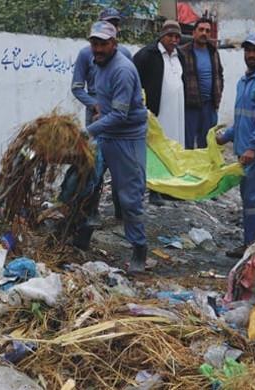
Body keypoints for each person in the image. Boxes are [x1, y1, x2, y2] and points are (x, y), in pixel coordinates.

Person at [85, 21, 149, 273]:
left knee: (130, 198)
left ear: (114, 44)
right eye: (94, 43)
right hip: (107, 135)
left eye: (103, 44)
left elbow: (120, 116)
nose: (98, 48)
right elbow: (105, 104)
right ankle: (82, 237)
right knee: (88, 185)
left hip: (127, 139)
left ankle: (139, 249)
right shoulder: (96, 63)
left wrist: (88, 130)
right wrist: (98, 117)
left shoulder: (122, 69)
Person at [217, 33, 255, 259]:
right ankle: (249, 244)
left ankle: (252, 249)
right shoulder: (244, 81)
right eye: (248, 50)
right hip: (245, 152)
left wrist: (253, 147)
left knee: (252, 201)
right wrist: (225, 137)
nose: (251, 55)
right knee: (248, 198)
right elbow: (243, 118)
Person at [70, 7, 130, 220]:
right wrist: (94, 104)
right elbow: (77, 87)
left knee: (120, 164)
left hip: (119, 116)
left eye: (115, 22)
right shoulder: (86, 53)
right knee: (94, 165)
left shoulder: (125, 55)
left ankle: (121, 212)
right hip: (96, 117)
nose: (112, 25)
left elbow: (131, 91)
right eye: (108, 22)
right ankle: (90, 210)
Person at [133, 20, 187, 205]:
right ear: (161, 36)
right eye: (170, 36)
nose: (174, 40)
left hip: (177, 113)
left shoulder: (180, 56)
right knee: (156, 151)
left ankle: (171, 188)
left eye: (177, 36)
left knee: (173, 148)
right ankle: (155, 190)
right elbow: (134, 82)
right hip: (157, 113)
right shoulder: (147, 55)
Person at [182, 17, 224, 149]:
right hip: (190, 106)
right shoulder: (183, 52)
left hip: (209, 106)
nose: (204, 33)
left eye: (207, 31)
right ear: (194, 32)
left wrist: (218, 95)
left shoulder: (213, 52)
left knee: (207, 143)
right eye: (201, 30)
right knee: (187, 143)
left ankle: (205, 169)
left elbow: (219, 74)